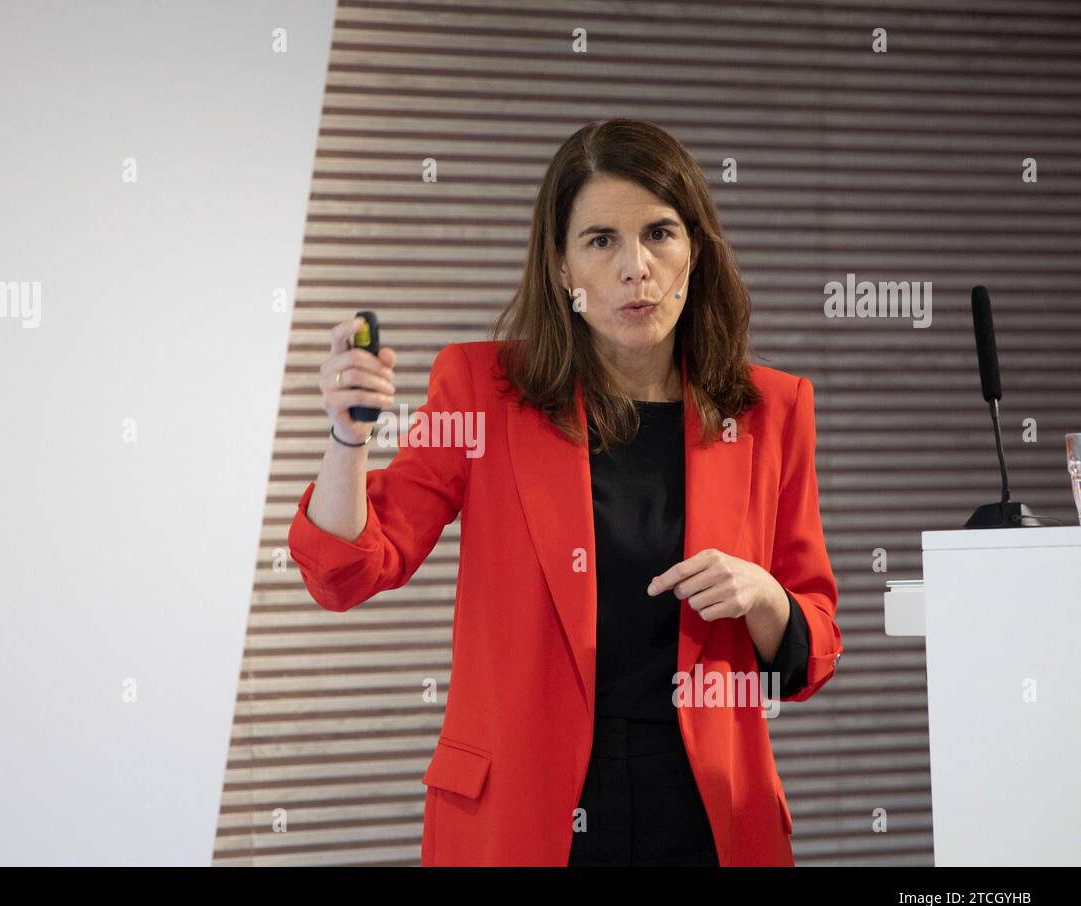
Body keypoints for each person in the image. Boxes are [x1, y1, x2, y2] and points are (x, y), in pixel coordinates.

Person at [288, 118, 842, 866]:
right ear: (560, 268)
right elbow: (348, 572)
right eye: (601, 241)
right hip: (524, 815)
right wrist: (349, 438)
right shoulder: (482, 391)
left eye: (660, 233)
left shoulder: (770, 410)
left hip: (707, 817)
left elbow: (812, 647)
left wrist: (766, 597)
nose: (635, 268)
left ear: (697, 251)